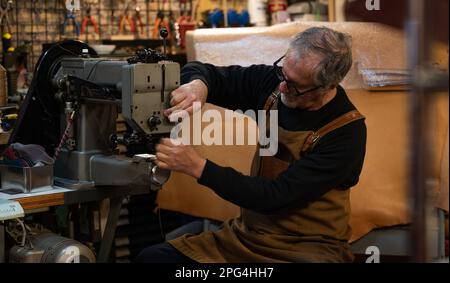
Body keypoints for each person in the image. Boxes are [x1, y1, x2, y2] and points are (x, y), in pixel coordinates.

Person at [135, 26, 367, 263]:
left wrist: (197, 166)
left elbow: (275, 197)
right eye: (282, 73)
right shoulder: (275, 84)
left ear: (328, 86)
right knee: (152, 259)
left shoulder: (346, 132)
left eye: (295, 86)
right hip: (247, 238)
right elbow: (204, 72)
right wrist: (199, 86)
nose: (283, 87)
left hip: (307, 249)